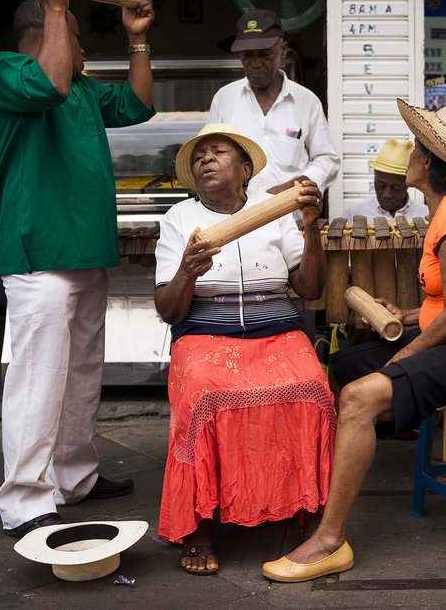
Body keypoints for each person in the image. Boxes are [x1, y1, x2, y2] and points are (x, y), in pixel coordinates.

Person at [262, 101, 446, 583]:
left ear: (428, 166)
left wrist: (402, 357)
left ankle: (328, 540)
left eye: (417, 150)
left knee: (360, 397)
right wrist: (404, 316)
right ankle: (310, 499)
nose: (410, 158)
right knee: (338, 367)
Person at [0, 0, 156, 538]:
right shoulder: (8, 71)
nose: (82, 47)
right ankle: (26, 501)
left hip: (86, 252)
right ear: (45, 29)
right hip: (39, 256)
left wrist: (138, 37)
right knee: (39, 378)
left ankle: (74, 476)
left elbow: (138, 105)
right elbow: (50, 82)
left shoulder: (82, 87)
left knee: (81, 373)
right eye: (77, 35)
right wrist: (58, 6)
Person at [154, 123, 334, 575]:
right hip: (204, 335)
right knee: (201, 393)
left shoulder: (274, 211)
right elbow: (169, 311)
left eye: (218, 153)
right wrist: (187, 273)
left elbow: (310, 288)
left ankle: (308, 506)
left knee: (312, 386)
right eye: (199, 157)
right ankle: (197, 526)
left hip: (276, 329)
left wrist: (311, 230)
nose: (205, 160)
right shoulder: (179, 218)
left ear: (246, 169)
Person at [207, 9, 340, 197]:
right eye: (248, 55)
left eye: (265, 54)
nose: (256, 63)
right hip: (237, 219)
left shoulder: (306, 101)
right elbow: (210, 158)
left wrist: (294, 188)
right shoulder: (224, 99)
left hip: (293, 220)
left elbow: (327, 160)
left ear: (283, 50)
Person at [341, 138, 428, 224]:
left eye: (396, 188)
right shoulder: (351, 216)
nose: (387, 194)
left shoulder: (426, 216)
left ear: (407, 184)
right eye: (381, 185)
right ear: (374, 178)